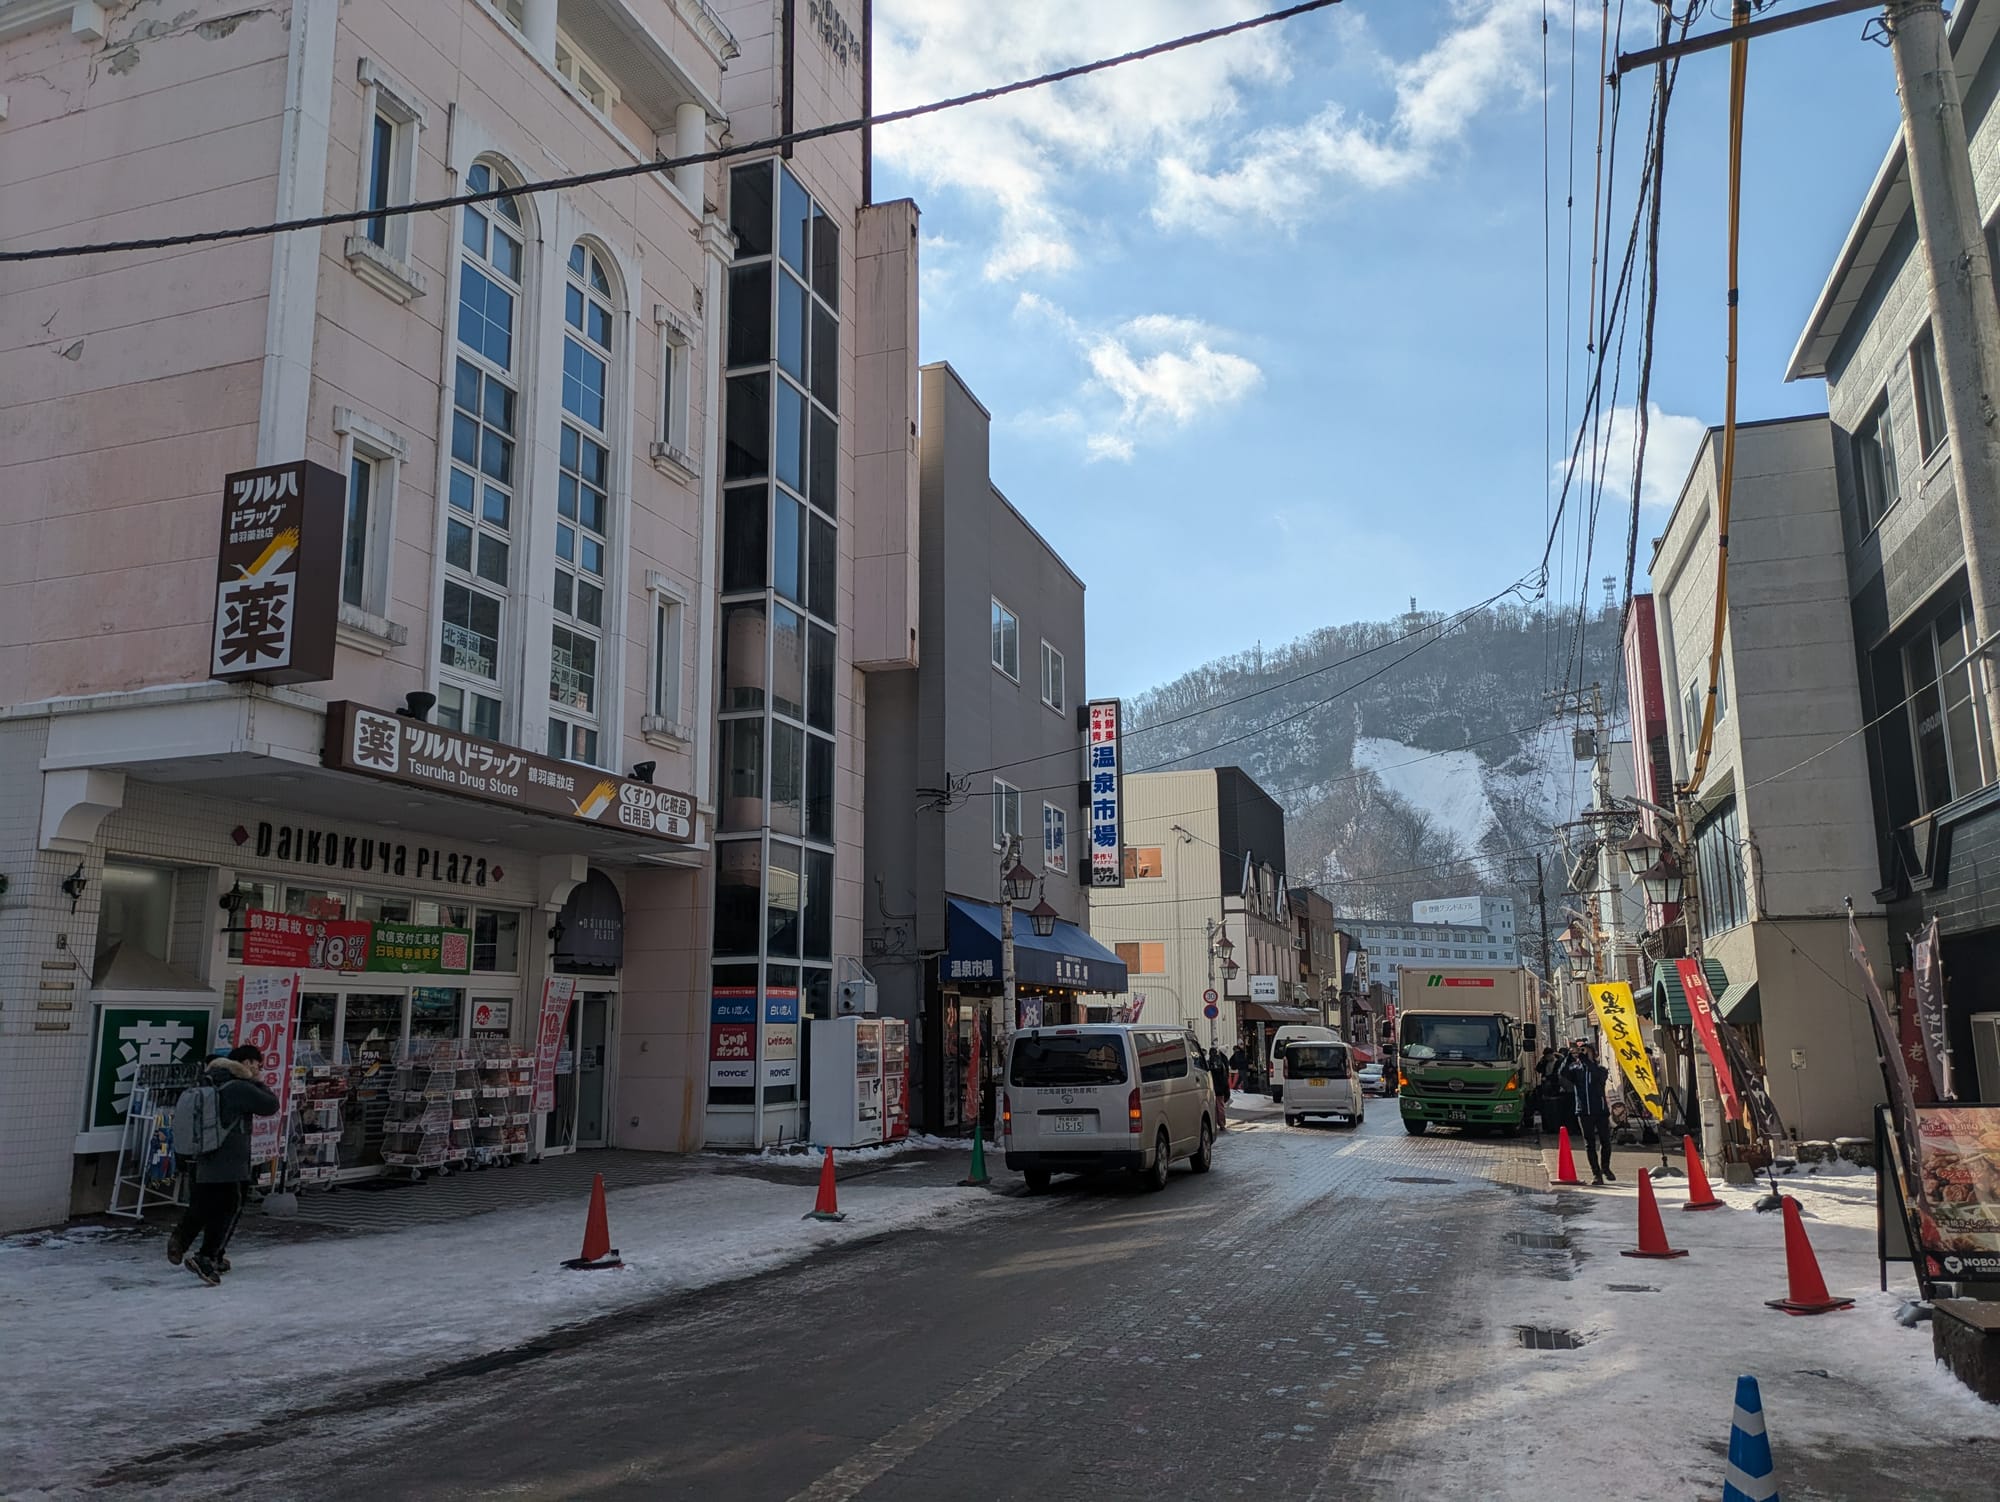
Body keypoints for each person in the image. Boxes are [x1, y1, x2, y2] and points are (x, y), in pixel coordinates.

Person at [167, 1045, 279, 1285]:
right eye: (257, 1064)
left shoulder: (209, 1081)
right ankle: (206, 1257)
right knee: (228, 1207)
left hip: (202, 1155)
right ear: (246, 1063)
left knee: (203, 1204)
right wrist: (256, 1082)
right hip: (229, 1161)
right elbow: (271, 1105)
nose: (259, 1068)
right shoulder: (239, 1087)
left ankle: (183, 1241)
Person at [1561, 1039, 1615, 1185]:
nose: (1583, 1053)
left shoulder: (1600, 1069)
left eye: (1586, 1051)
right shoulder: (1576, 1070)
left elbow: (1597, 1077)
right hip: (1584, 1111)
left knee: (1605, 1141)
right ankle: (1596, 1173)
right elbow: (1563, 1073)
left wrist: (1586, 1060)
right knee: (1589, 1143)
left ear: (1593, 1053)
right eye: (1581, 1051)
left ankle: (1605, 1167)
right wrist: (1569, 1056)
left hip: (1600, 1111)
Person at [1207, 1047, 1231, 1131]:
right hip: (1220, 1089)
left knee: (1212, 1107)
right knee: (1220, 1106)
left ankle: (1213, 1123)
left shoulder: (1208, 1063)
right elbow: (1224, 1077)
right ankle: (1222, 1123)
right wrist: (1225, 1088)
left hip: (1211, 1088)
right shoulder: (1221, 1063)